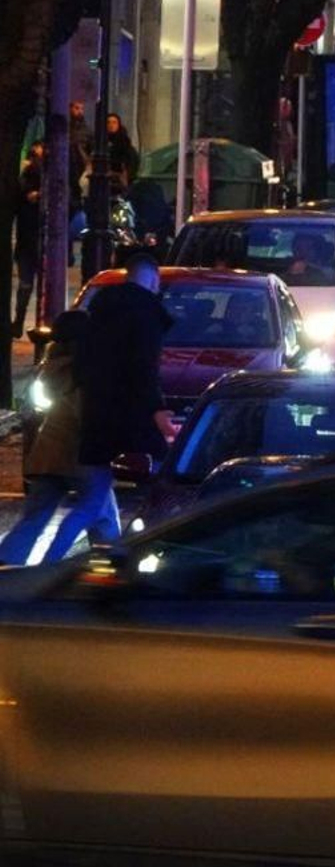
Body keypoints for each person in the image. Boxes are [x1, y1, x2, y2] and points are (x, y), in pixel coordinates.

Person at [64, 252, 176, 559]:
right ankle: (157, 544)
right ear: (153, 280)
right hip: (132, 414)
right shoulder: (145, 314)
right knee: (167, 476)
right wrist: (157, 408)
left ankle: (111, 549)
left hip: (96, 410)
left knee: (97, 487)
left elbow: (82, 362)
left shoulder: (100, 312)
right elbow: (144, 368)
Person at [0, 311, 90, 565]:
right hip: (78, 455)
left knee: (37, 515)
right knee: (96, 508)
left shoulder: (48, 369)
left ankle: (8, 562)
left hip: (47, 453)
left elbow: (32, 412)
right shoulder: (80, 371)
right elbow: (82, 414)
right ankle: (56, 565)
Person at [14, 141, 44, 337]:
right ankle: (20, 321)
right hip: (30, 239)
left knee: (29, 285)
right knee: (27, 285)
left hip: (34, 239)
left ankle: (20, 321)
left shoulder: (34, 175)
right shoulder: (29, 174)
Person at [105, 113, 139, 195]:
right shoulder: (102, 142)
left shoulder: (125, 143)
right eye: (108, 122)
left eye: (114, 122)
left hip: (121, 182)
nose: (111, 125)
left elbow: (131, 163)